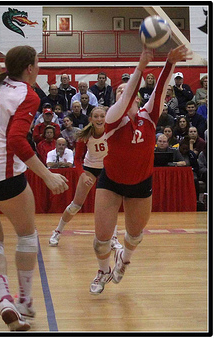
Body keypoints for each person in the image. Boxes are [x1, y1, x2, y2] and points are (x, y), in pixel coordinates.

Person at [0, 45, 69, 331]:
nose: (39, 67)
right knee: (27, 236)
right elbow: (16, 140)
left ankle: (4, 299)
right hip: (3, 174)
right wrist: (47, 175)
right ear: (29, 68)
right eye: (38, 63)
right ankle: (24, 300)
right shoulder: (27, 94)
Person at [89, 45, 191, 295]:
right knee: (101, 241)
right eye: (121, 90)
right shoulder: (112, 118)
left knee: (134, 236)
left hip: (141, 184)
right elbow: (124, 98)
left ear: (137, 97)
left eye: (129, 89)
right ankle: (103, 270)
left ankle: (124, 259)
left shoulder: (148, 116)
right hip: (111, 182)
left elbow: (159, 88)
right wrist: (140, 67)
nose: (125, 91)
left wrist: (169, 63)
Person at [50, 107, 122, 248]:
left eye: (102, 116)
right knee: (75, 206)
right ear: (90, 119)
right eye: (96, 116)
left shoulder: (111, 131)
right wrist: (82, 175)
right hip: (89, 168)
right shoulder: (84, 135)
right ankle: (57, 231)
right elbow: (77, 159)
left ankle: (113, 238)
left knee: (110, 207)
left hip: (107, 169)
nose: (99, 119)